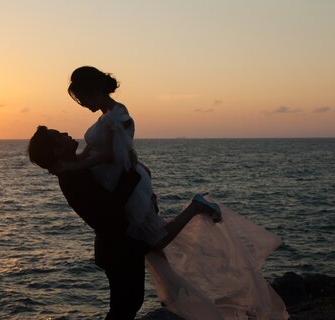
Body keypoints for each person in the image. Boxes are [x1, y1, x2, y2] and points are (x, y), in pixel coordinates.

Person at [27, 126, 219, 320]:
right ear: (57, 150)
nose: (67, 134)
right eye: (59, 136)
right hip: (116, 247)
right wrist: (131, 174)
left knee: (130, 304)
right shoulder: (73, 176)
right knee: (121, 309)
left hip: (122, 244)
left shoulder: (78, 166)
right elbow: (110, 206)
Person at [50, 66, 218, 249]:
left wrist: (74, 167)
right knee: (148, 236)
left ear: (95, 91)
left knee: (156, 239)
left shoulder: (117, 115)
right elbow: (91, 150)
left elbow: (111, 155)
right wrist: (73, 162)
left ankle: (195, 206)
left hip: (120, 180)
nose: (83, 104)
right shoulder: (106, 116)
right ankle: (195, 206)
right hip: (112, 180)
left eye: (83, 99)